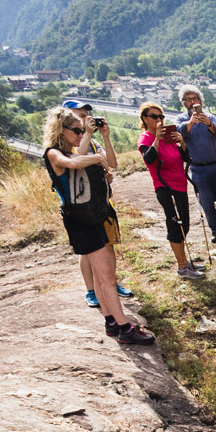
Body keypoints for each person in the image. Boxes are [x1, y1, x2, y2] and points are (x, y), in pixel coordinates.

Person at [41, 106, 154, 345]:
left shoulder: (73, 150)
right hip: (82, 222)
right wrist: (97, 158)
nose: (80, 135)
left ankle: (111, 320)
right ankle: (125, 327)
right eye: (76, 131)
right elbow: (70, 164)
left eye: (82, 131)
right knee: (107, 277)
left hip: (91, 218)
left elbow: (80, 166)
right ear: (61, 130)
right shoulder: (53, 153)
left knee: (106, 277)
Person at [61, 99, 133, 309]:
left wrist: (106, 137)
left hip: (102, 202)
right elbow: (77, 159)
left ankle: (110, 282)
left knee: (108, 243)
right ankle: (91, 290)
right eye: (80, 116)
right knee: (88, 250)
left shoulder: (92, 141)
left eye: (86, 115)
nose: (85, 119)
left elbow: (112, 162)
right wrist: (88, 135)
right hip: (81, 206)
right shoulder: (66, 145)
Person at [137, 103, 203, 279]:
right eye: (155, 117)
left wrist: (181, 142)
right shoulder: (145, 139)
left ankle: (185, 261)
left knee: (185, 225)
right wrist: (157, 140)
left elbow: (186, 158)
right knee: (175, 226)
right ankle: (182, 267)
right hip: (165, 187)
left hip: (180, 185)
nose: (159, 120)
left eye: (161, 117)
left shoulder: (169, 136)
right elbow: (149, 160)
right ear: (145, 119)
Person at [173, 85, 216, 245]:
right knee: (206, 202)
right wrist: (191, 122)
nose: (191, 102)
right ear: (183, 103)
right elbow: (179, 133)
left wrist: (208, 123)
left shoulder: (210, 116)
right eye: (187, 100)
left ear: (200, 101)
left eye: (194, 99)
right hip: (198, 167)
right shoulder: (181, 119)